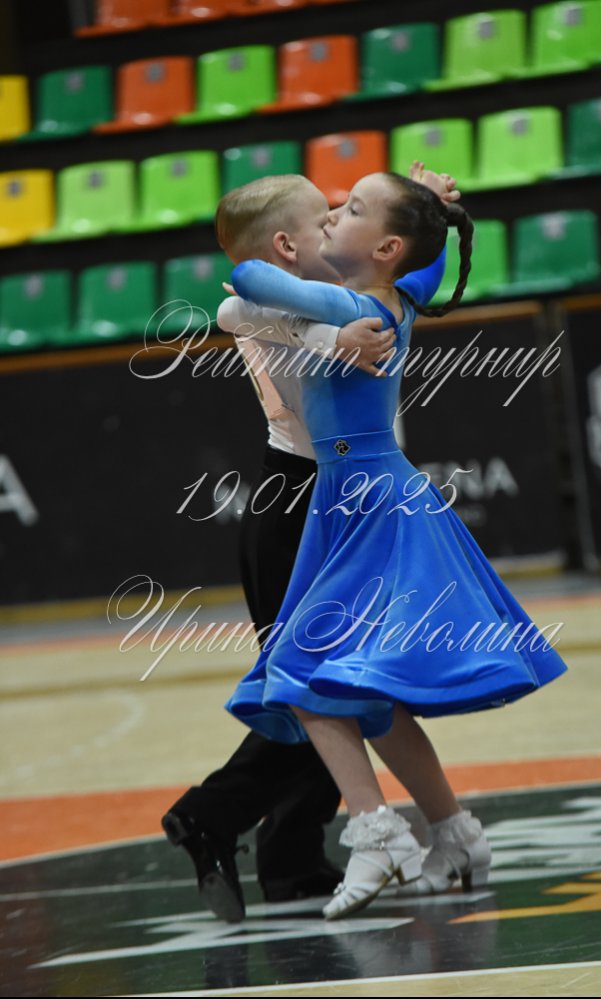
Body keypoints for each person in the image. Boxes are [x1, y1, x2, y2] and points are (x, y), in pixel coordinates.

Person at [224, 171, 568, 920]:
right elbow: (423, 263)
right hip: (362, 496)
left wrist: (324, 321)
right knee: (360, 693)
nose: (330, 218)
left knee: (300, 671)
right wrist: (433, 208)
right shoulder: (398, 294)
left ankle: (377, 832)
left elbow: (247, 276)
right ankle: (455, 833)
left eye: (347, 211)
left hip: (365, 500)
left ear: (384, 248)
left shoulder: (357, 305)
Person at [162, 168, 457, 922]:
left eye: (342, 211)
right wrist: (333, 336)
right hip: (297, 502)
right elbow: (241, 305)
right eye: (324, 214)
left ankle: (295, 855)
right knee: (311, 685)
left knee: (346, 685)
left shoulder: (347, 291)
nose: (335, 220)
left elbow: (407, 268)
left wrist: (429, 210)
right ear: (288, 246)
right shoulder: (280, 304)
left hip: (342, 498)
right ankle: (217, 818)